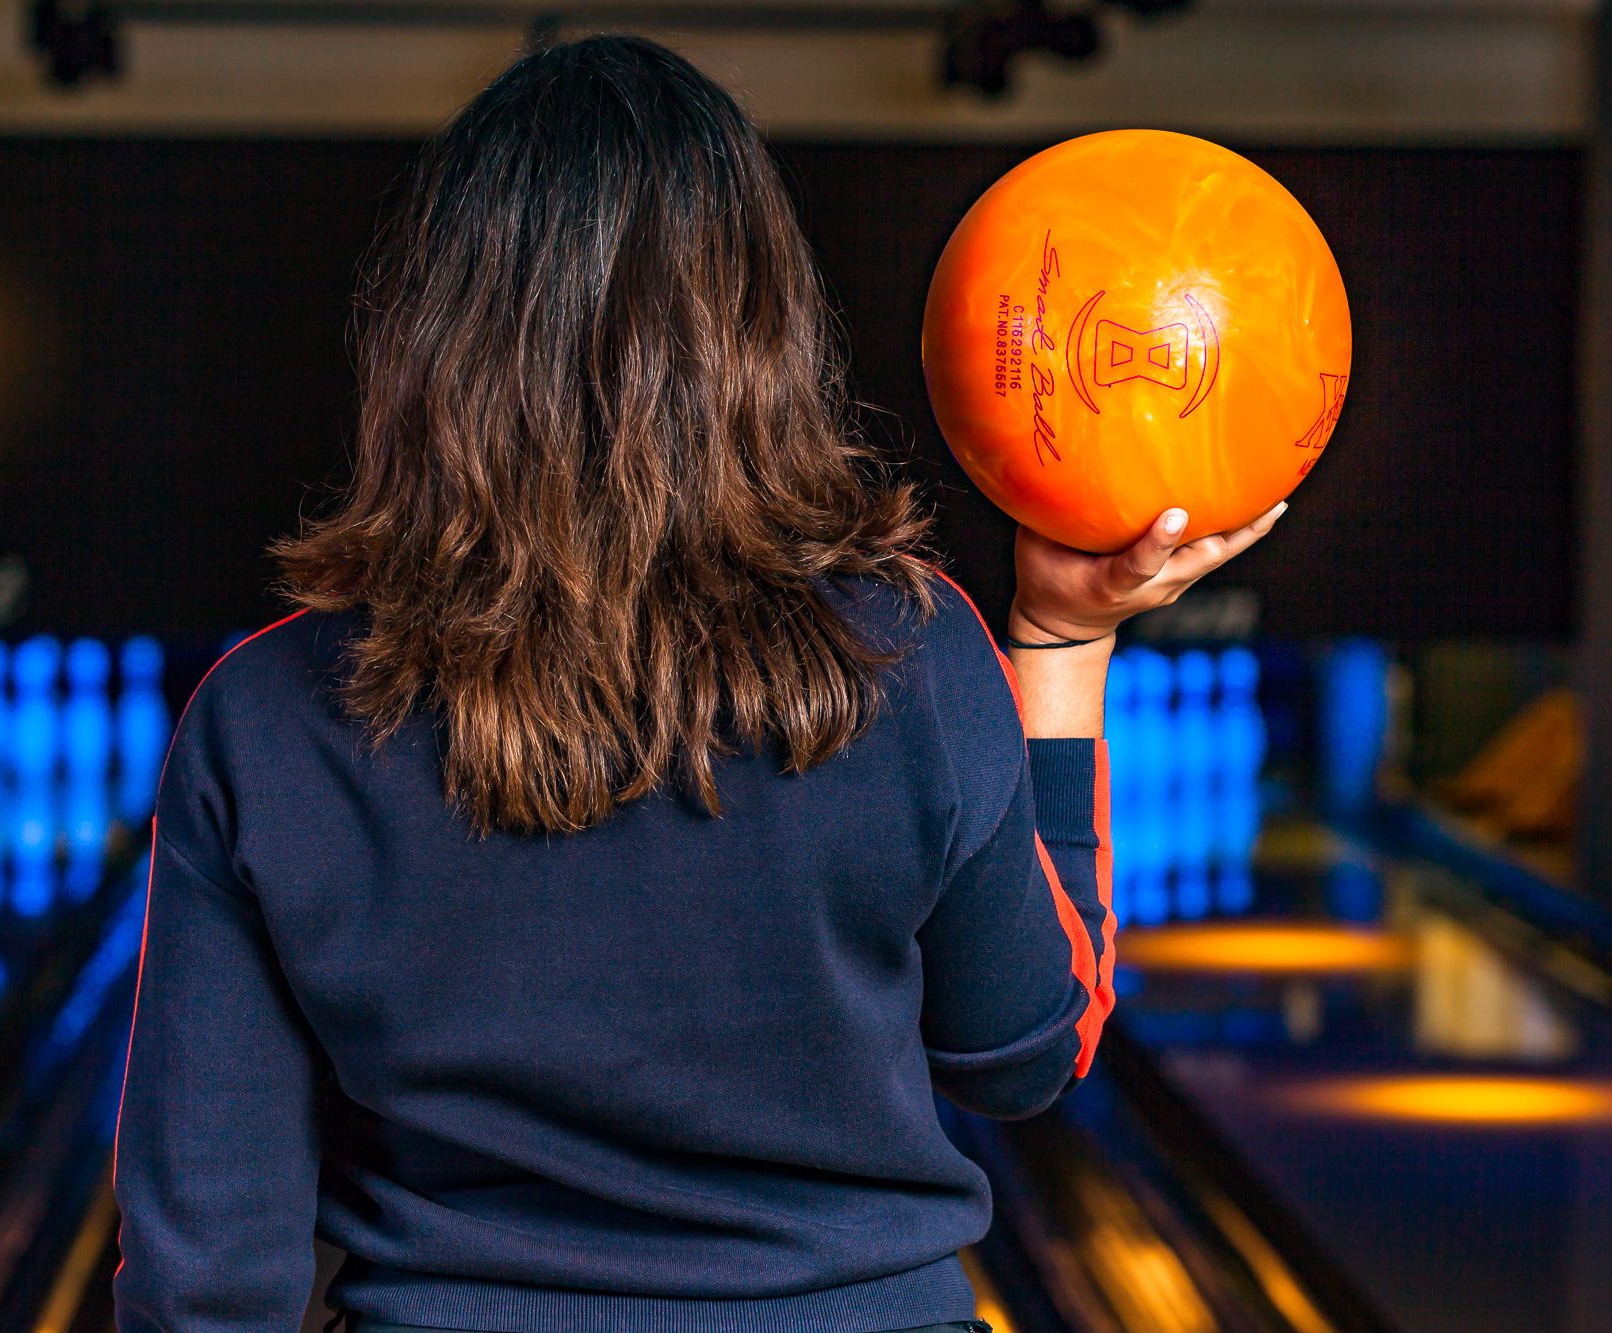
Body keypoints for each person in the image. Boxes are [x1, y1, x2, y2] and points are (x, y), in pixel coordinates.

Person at [110, 32, 1281, 1333]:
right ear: (764, 325)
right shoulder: (915, 649)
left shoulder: (268, 714)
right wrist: (1062, 642)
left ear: (429, 333)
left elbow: (207, 1277)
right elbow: (1027, 1053)